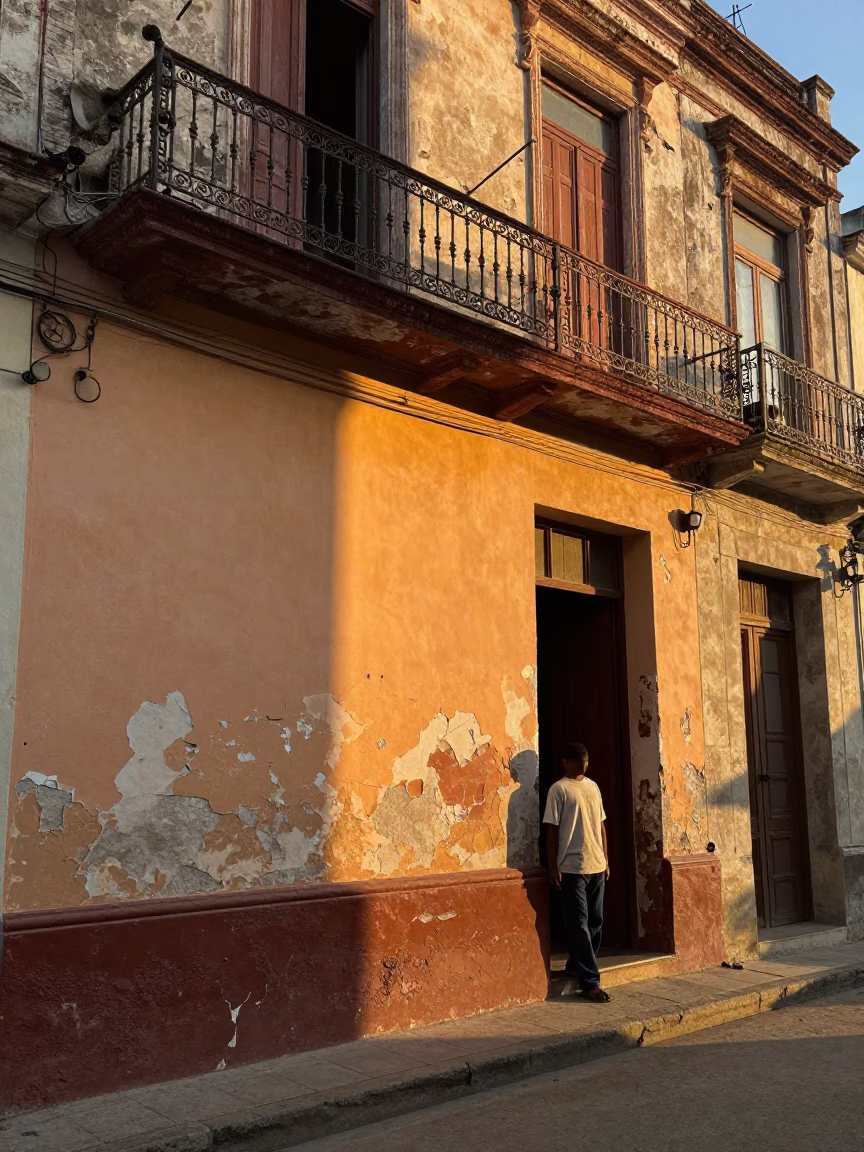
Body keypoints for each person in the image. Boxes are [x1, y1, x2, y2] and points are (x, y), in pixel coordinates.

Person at [543, 742, 611, 1003]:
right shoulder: (558, 789)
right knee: (579, 924)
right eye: (579, 762)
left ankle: (575, 964)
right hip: (572, 867)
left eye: (586, 762)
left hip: (597, 864)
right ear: (566, 763)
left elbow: (601, 824)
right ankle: (591, 982)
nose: (584, 767)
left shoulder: (593, 787)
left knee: (595, 922)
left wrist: (606, 859)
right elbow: (551, 829)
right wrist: (553, 866)